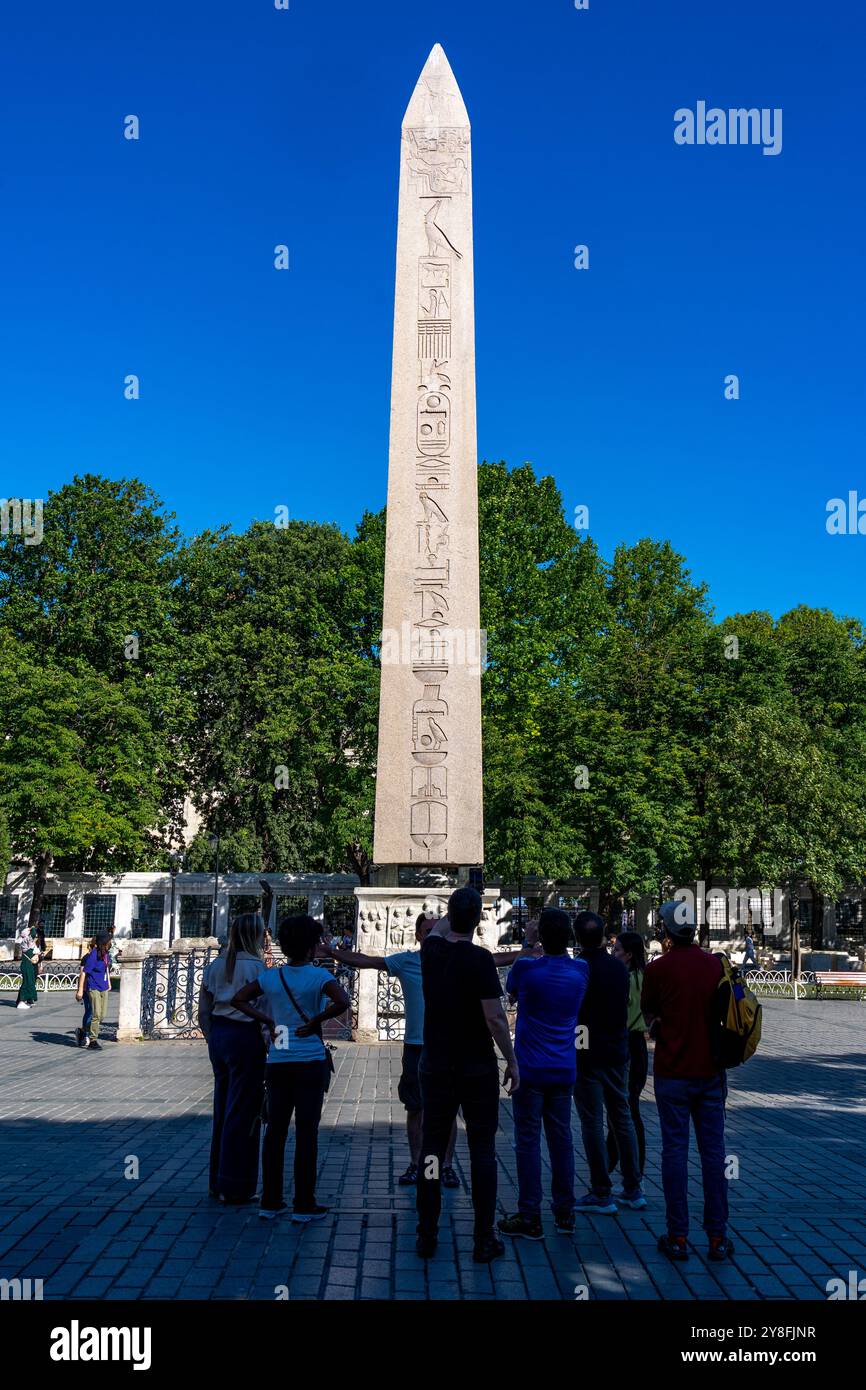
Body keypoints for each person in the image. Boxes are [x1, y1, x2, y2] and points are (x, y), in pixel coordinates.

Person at [415, 886, 518, 1264]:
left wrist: (454, 910)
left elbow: (441, 929)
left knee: (431, 1148)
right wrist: (512, 1058)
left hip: (437, 1062)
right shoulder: (480, 959)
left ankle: (427, 1233)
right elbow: (494, 1017)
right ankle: (483, 1237)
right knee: (482, 1151)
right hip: (475, 1064)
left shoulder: (431, 951)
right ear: (478, 920)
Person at [325, 911, 460, 1189]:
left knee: (447, 1109)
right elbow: (366, 961)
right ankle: (417, 1162)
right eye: (428, 930)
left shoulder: (455, 959)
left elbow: (494, 960)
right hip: (415, 1046)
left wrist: (529, 951)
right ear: (419, 935)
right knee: (415, 1107)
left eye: (437, 929)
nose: (433, 934)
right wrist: (332, 953)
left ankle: (445, 1166)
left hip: (446, 1045)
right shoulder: (407, 960)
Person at [231, 915, 349, 1222]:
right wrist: (316, 1021)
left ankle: (271, 1200)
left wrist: (268, 1021)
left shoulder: (272, 977)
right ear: (311, 946)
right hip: (310, 1057)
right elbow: (342, 1001)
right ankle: (304, 1203)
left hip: (279, 1056)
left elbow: (239, 998)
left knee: (275, 1132)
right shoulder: (318, 977)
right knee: (307, 1133)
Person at [642, 900, 732, 1262]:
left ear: (665, 931)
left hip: (672, 1074)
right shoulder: (715, 965)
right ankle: (717, 1238)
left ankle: (678, 1236)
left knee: (674, 1153)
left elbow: (649, 1016)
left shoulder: (658, 970)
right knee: (714, 1154)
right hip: (710, 1073)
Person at [497, 908, 588, 1240]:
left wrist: (528, 940)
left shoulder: (526, 968)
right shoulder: (581, 970)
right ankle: (565, 1211)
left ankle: (530, 1214)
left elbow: (512, 989)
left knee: (528, 1141)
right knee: (562, 1139)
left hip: (530, 1066)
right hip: (564, 1067)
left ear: (541, 936)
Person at [572, 911, 646, 1213]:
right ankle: (633, 1187)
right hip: (618, 1050)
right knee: (622, 1117)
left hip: (586, 1052)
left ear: (577, 938)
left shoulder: (579, 969)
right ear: (604, 936)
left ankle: (602, 1191)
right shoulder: (618, 969)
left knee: (592, 1120)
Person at [199, 912, 267, 1204]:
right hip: (245, 1036)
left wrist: (212, 1037)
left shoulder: (215, 966)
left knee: (223, 1107)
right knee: (243, 1112)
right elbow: (265, 1013)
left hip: (221, 1035)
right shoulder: (257, 968)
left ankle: (217, 1180)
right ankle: (236, 1183)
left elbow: (203, 1010)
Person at [607, 931, 648, 1181]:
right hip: (639, 1046)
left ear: (630, 954)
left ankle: (633, 1169)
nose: (614, 953)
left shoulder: (625, 980)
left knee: (627, 1109)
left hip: (626, 1043)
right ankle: (611, 1163)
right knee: (623, 1107)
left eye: (618, 950)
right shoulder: (646, 977)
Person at [75, 931, 112, 1048]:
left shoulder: (106, 954)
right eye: (108, 941)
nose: (110, 943)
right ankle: (93, 1040)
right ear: (103, 943)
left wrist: (109, 982)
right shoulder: (93, 955)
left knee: (102, 1016)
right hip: (93, 987)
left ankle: (82, 1031)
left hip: (103, 986)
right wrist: (80, 990)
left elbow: (106, 969)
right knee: (95, 1014)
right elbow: (84, 973)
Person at [15, 926, 39, 1010]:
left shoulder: (29, 942)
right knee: (26, 982)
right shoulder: (26, 940)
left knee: (29, 981)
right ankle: (21, 1001)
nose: (35, 937)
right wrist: (32, 928)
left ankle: (25, 1000)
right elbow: (33, 933)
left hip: (28, 965)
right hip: (26, 965)